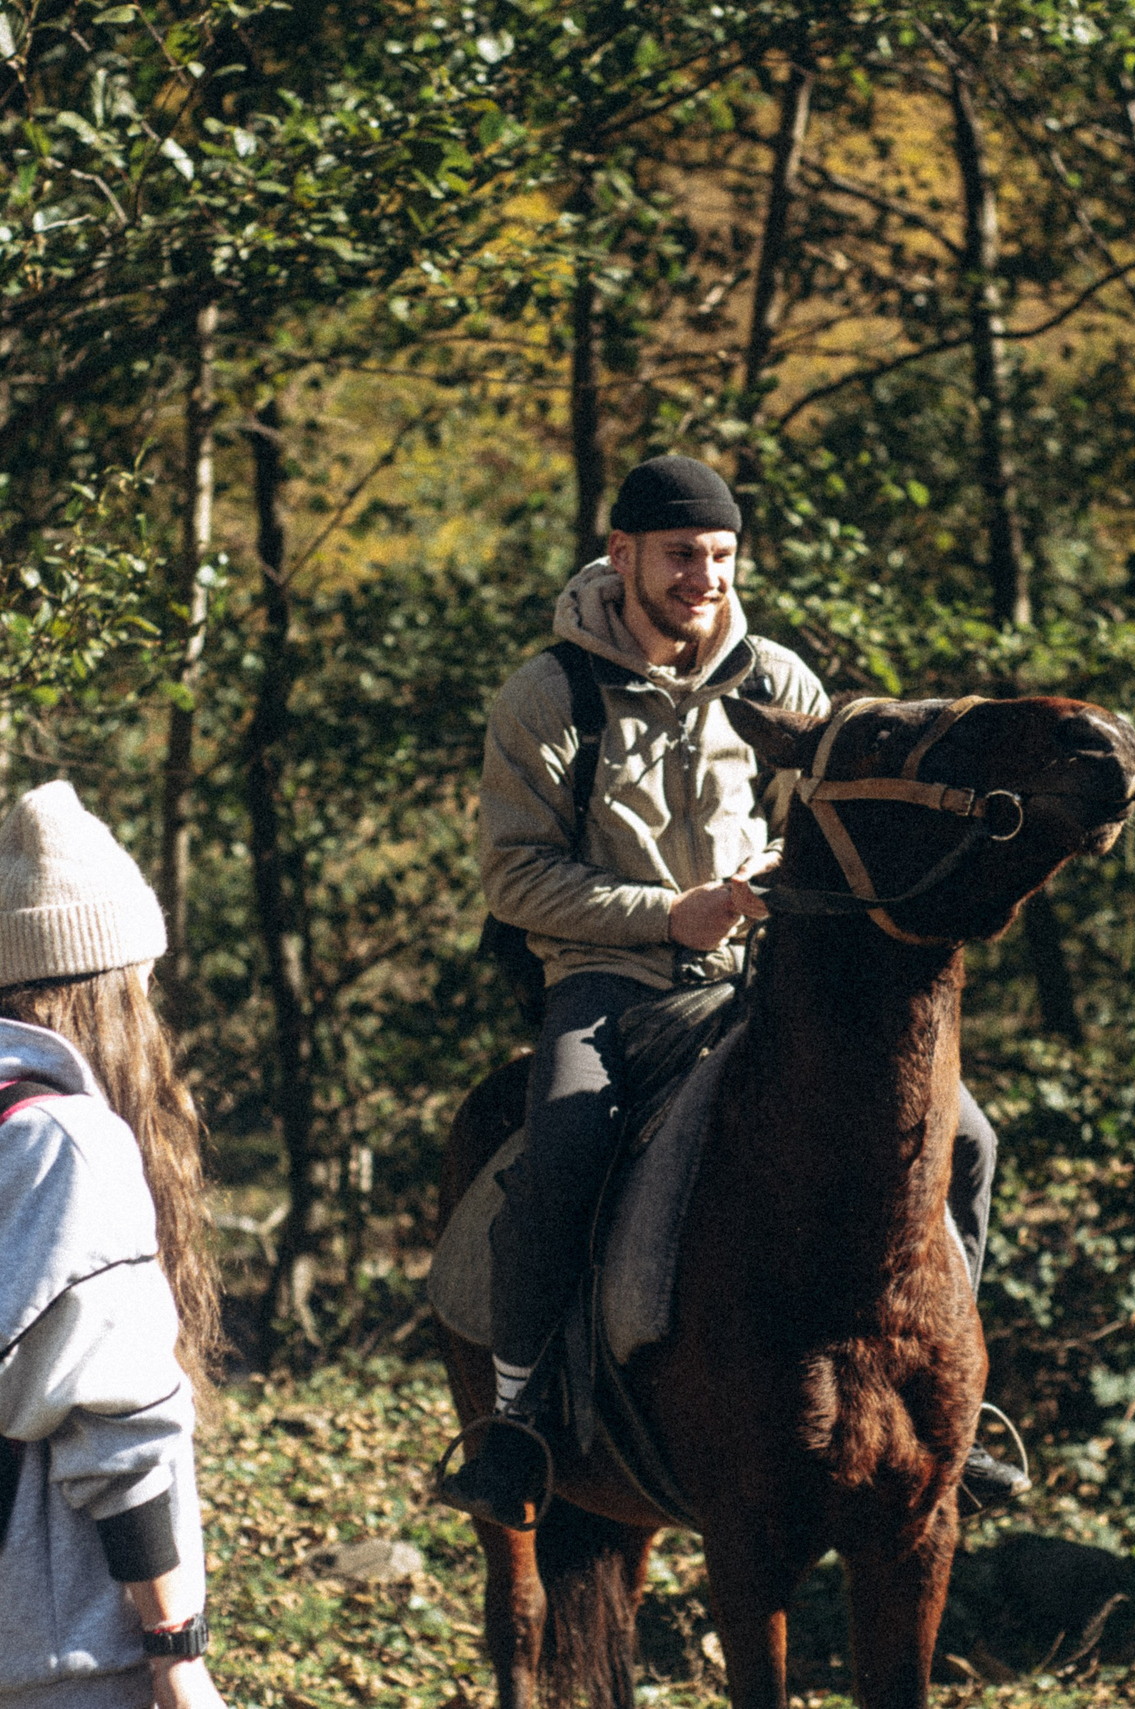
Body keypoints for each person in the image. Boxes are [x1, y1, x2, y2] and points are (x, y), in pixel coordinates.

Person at [434, 454, 1026, 1527]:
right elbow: (515, 876)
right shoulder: (549, 692)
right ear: (620, 557)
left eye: (718, 556)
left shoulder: (782, 683)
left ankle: (960, 1413)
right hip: (608, 982)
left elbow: (825, 842)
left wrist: (763, 889)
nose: (701, 578)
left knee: (970, 1139)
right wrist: (666, 914)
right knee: (563, 1144)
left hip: (759, 981)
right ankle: (516, 1420)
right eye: (678, 556)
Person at [0, 781, 226, 1709]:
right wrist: (176, 1651)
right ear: (105, 980)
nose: (152, 996)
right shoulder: (72, 1141)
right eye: (140, 972)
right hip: (67, 1660)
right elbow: (118, 1430)